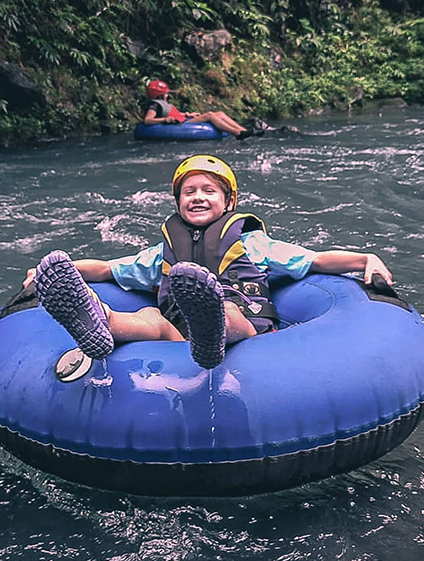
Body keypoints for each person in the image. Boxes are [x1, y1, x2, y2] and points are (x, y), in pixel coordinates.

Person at [26, 154, 394, 370]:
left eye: (209, 191)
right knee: (150, 320)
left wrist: (365, 258)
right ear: (177, 202)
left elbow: (313, 260)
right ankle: (100, 321)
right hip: (180, 332)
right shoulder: (163, 250)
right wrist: (58, 271)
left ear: (229, 201)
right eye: (189, 192)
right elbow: (109, 268)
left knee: (226, 312)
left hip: (246, 328)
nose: (198, 198)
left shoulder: (252, 241)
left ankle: (211, 325)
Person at [142, 79, 255, 140]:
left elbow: (173, 113)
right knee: (210, 115)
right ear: (160, 94)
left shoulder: (162, 104)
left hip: (183, 120)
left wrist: (187, 114)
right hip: (179, 125)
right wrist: (164, 120)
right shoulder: (154, 105)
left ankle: (243, 130)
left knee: (219, 113)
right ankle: (237, 133)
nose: (167, 95)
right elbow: (148, 120)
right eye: (165, 93)